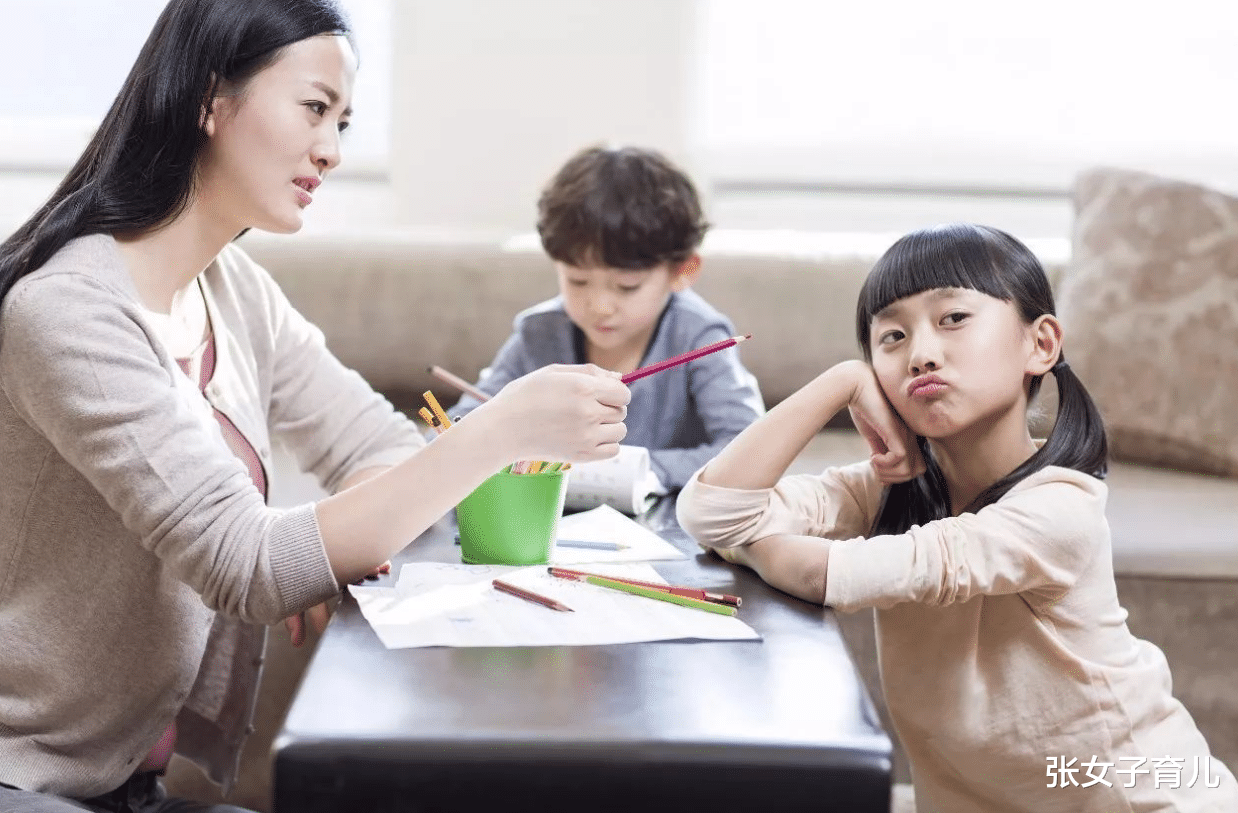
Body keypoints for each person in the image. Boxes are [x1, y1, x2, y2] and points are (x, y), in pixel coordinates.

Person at [0, 1, 628, 810]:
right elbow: (248, 564)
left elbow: (377, 441)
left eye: (345, 122)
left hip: (127, 783)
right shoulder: (68, 311)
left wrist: (330, 546)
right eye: (314, 108)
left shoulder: (233, 289)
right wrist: (500, 430)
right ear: (210, 98)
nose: (330, 150)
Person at [676, 223, 1238, 812]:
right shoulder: (889, 491)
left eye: (953, 319)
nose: (921, 354)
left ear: (1040, 344)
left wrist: (762, 547)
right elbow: (711, 513)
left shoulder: (1060, 506)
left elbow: (825, 575)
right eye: (891, 337)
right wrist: (839, 381)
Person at [446, 145, 763, 491]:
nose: (599, 306)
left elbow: (749, 447)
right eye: (577, 280)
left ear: (682, 270)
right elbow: (461, 421)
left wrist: (634, 470)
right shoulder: (540, 332)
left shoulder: (699, 335)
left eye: (627, 286)